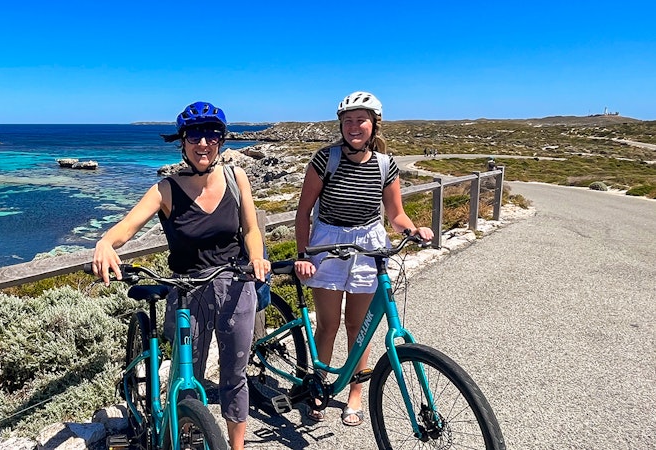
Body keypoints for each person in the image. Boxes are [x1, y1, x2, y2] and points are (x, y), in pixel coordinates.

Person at [91, 101, 269, 450]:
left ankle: (236, 446)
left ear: (221, 140)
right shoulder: (167, 189)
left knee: (234, 377)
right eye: (194, 135)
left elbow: (251, 229)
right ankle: (180, 431)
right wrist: (105, 242)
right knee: (187, 380)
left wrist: (257, 256)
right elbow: (127, 226)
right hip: (188, 290)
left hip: (234, 284)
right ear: (183, 141)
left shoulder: (236, 177)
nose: (203, 143)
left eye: (211, 134)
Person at [293, 91, 434, 427]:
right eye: (348, 121)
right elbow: (303, 213)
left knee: (360, 328)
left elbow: (396, 214)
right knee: (328, 326)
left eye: (361, 120)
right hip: (327, 242)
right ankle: (320, 386)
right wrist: (302, 254)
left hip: (368, 243)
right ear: (341, 125)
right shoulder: (324, 159)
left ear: (374, 125)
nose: (354, 126)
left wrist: (413, 230)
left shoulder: (386, 165)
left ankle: (355, 393)